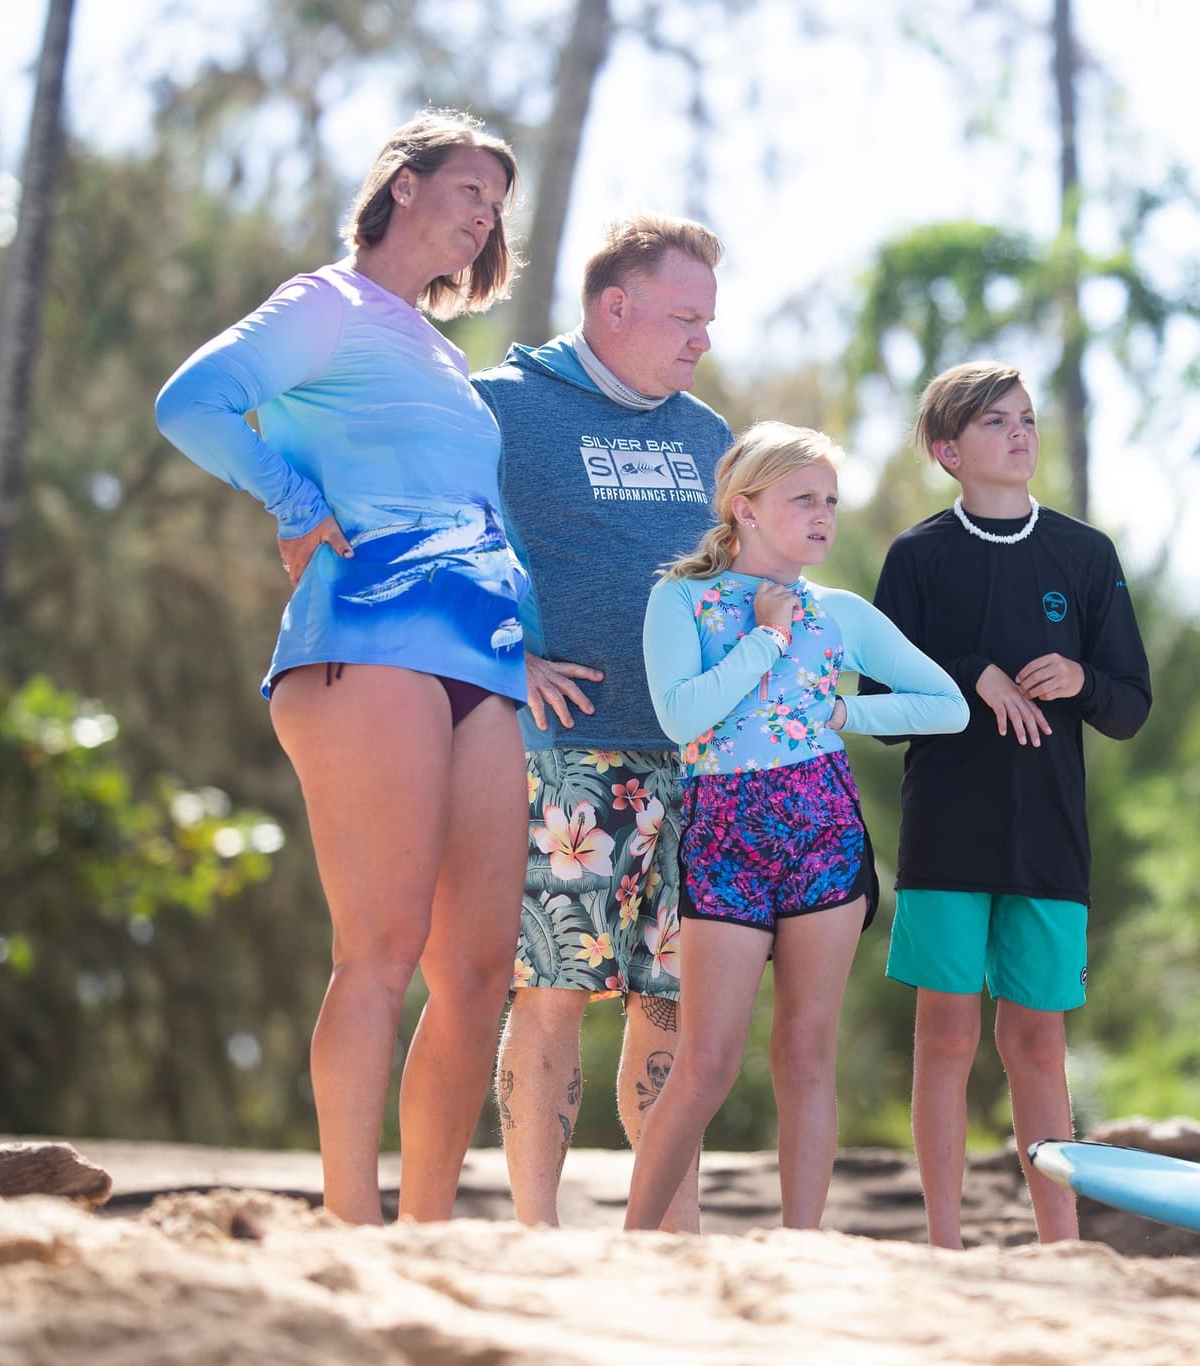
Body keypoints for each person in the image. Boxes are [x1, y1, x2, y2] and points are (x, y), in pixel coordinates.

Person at [153, 108, 528, 1224]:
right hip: (366, 644)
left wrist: (537, 651)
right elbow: (192, 403)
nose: (482, 218)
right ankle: (349, 1227)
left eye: (497, 207)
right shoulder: (325, 304)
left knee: (477, 971)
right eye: (469, 189)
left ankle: (422, 1232)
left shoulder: (443, 352)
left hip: (488, 665)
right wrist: (294, 500)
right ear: (402, 185)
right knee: (379, 946)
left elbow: (488, 512)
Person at [623, 422, 969, 1231]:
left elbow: (947, 705)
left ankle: (800, 1248)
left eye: (831, 502)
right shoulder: (680, 599)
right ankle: (634, 1245)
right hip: (725, 837)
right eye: (802, 499)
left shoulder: (841, 612)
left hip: (823, 834)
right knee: (705, 1062)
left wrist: (844, 708)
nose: (823, 516)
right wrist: (767, 639)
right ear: (744, 508)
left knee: (807, 1052)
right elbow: (680, 720)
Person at [471, 215, 728, 1231]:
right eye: (683, 316)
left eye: (708, 320)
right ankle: (535, 1232)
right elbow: (442, 545)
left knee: (670, 1001)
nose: (701, 339)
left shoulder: (707, 436)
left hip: (692, 759)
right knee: (553, 992)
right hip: (563, 762)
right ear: (611, 307)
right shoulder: (497, 409)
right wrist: (510, 656)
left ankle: (668, 1229)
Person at [871, 361, 1152, 1248]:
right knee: (946, 1039)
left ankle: (1059, 1246)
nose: (1020, 433)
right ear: (948, 449)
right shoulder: (916, 558)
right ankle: (945, 1243)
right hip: (947, 835)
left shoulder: (1085, 555)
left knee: (1037, 1046)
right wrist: (969, 676)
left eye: (1026, 418)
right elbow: (878, 700)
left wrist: (1079, 678)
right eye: (996, 422)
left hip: (1050, 840)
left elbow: (1131, 704)